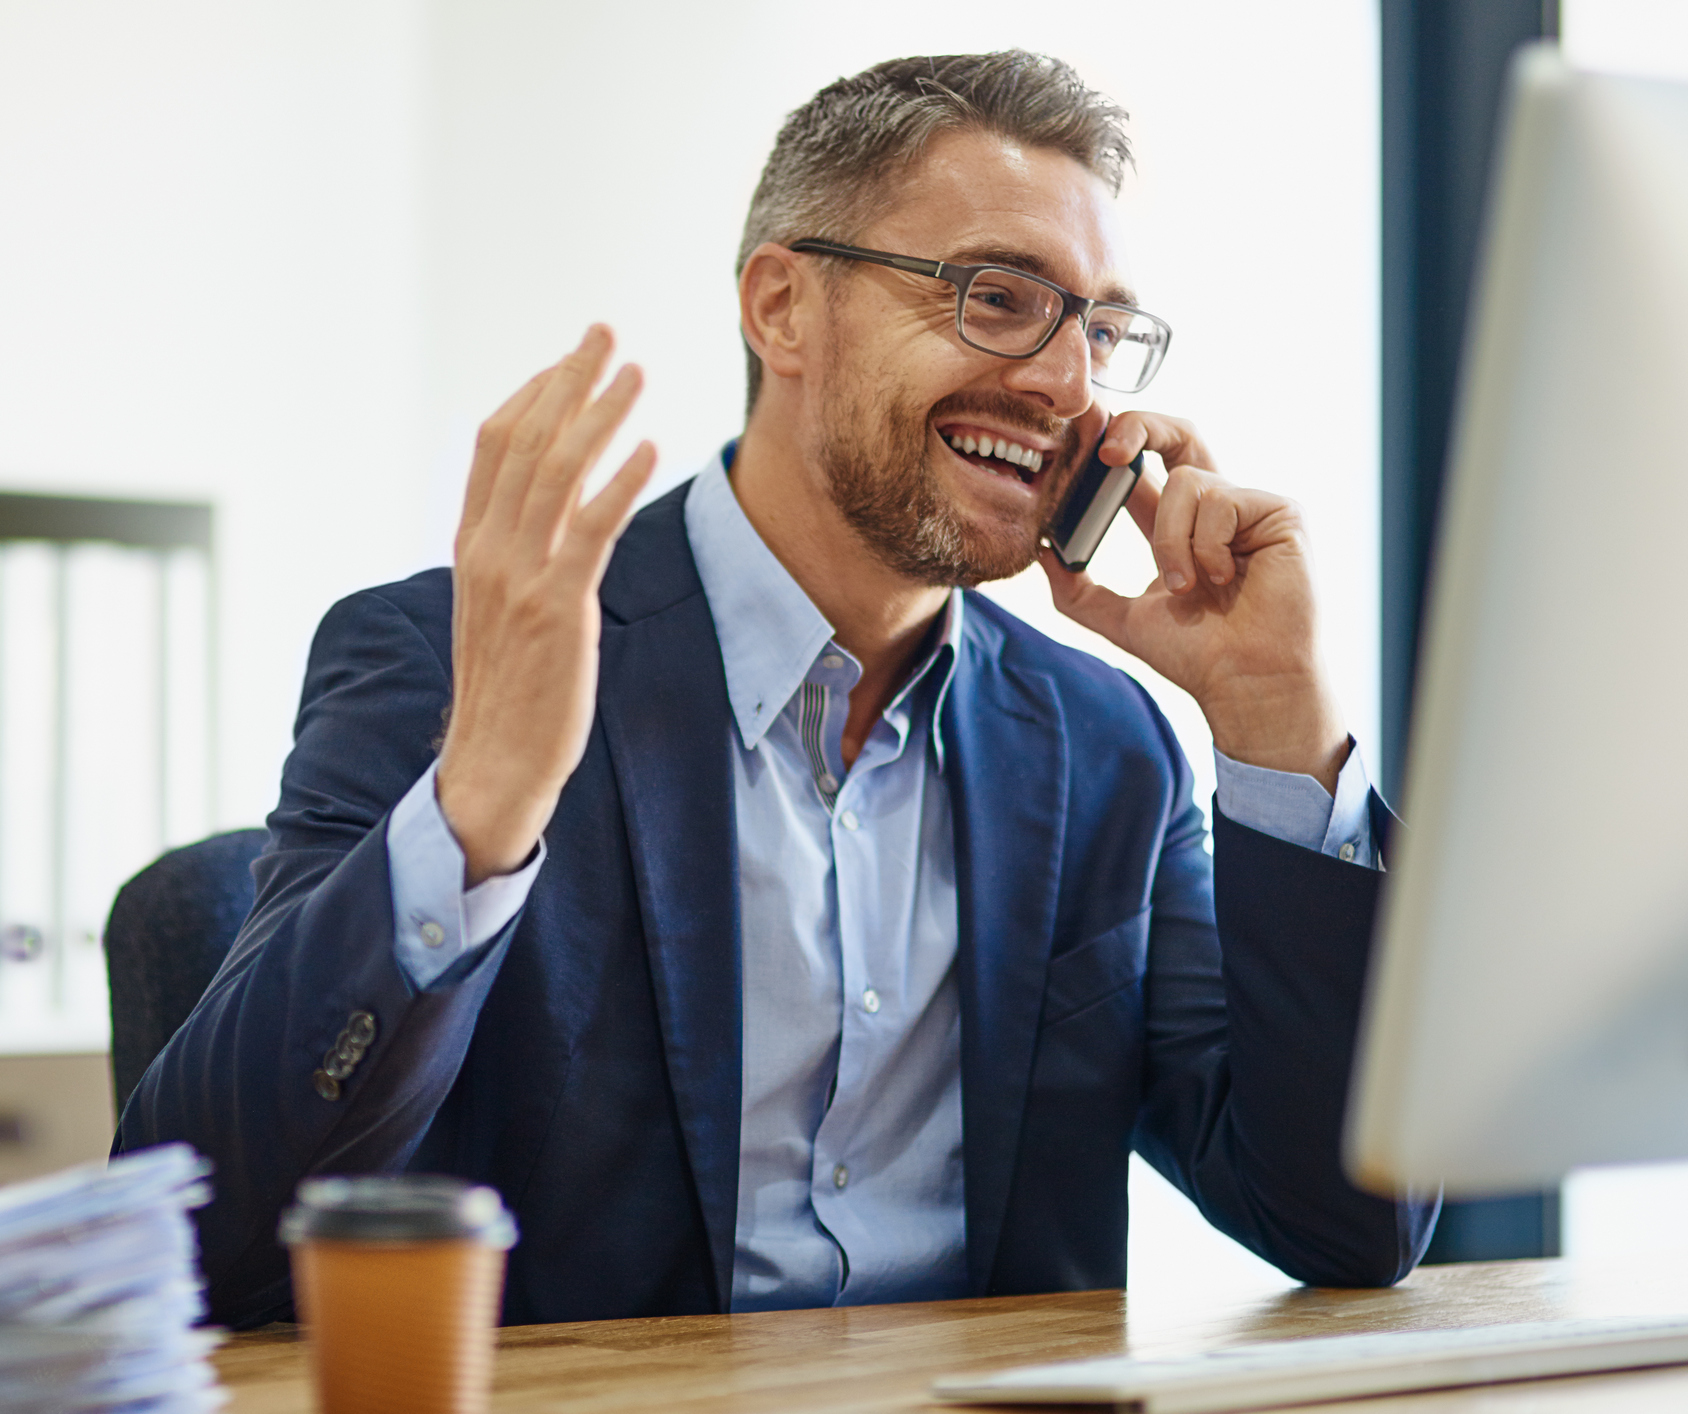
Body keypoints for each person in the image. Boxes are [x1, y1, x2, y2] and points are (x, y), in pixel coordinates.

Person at [118, 50, 1437, 1329]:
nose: (1065, 385)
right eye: (996, 296)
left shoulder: (1107, 751)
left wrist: (1279, 727)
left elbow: (1347, 1223)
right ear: (779, 307)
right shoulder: (455, 661)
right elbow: (199, 1241)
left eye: (1098, 328)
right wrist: (477, 813)